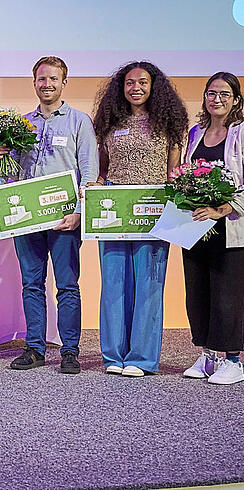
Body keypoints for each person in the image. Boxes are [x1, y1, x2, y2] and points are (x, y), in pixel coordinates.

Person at [0, 56, 98, 375]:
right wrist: (0, 158)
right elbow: (9, 171)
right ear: (34, 82)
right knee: (31, 283)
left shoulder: (79, 121)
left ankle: (70, 350)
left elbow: (90, 171)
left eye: (54, 79)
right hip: (28, 219)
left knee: (68, 285)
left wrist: (80, 213)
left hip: (65, 219)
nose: (47, 84)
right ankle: (35, 348)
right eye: (41, 79)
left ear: (64, 83)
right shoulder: (22, 124)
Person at [94, 61, 187, 377]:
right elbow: (103, 170)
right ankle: (113, 355)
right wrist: (96, 186)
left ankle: (142, 358)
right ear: (121, 88)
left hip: (153, 214)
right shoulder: (109, 123)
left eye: (142, 82)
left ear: (154, 86)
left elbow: (174, 173)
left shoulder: (168, 126)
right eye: (129, 83)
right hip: (114, 213)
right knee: (114, 283)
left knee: (149, 284)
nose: (135, 88)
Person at [180, 72, 244, 385]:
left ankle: (233, 359)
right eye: (211, 93)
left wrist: (221, 209)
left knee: (227, 296)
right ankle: (208, 355)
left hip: (230, 227)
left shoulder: (241, 132)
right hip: (195, 226)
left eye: (224, 94)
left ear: (236, 100)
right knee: (198, 293)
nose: (216, 99)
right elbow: (186, 175)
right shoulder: (196, 132)